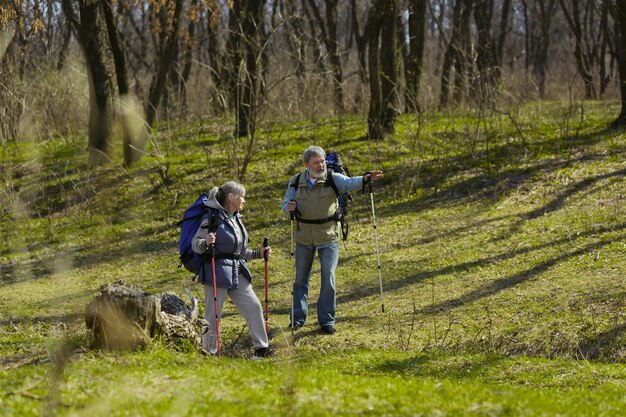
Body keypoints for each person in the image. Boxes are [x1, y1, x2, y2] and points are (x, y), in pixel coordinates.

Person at [282, 146, 383, 334]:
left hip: (328, 236)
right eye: (316, 162)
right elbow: (285, 203)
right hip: (304, 237)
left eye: (322, 161)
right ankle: (297, 319)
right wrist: (288, 208)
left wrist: (365, 179)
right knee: (300, 280)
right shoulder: (295, 181)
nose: (320, 165)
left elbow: (350, 183)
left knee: (328, 278)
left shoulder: (332, 178)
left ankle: (326, 321)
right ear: (307, 165)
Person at [192, 181, 272, 358]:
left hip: (237, 272)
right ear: (231, 197)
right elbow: (195, 245)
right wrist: (205, 242)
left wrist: (260, 253)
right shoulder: (211, 219)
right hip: (215, 272)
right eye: (241, 196)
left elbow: (240, 253)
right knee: (213, 316)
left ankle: (261, 350)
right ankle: (209, 353)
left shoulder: (237, 219)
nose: (244, 200)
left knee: (253, 306)